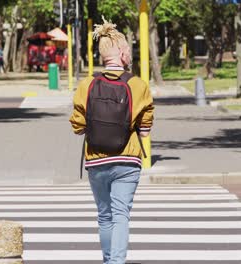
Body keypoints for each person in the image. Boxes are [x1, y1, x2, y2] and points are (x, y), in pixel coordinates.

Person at [69, 18, 154, 264]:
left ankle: (109, 260)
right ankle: (115, 262)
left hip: (95, 160)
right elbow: (145, 130)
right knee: (120, 215)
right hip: (127, 160)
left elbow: (77, 126)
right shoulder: (138, 85)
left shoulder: (87, 84)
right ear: (124, 53)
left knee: (104, 216)